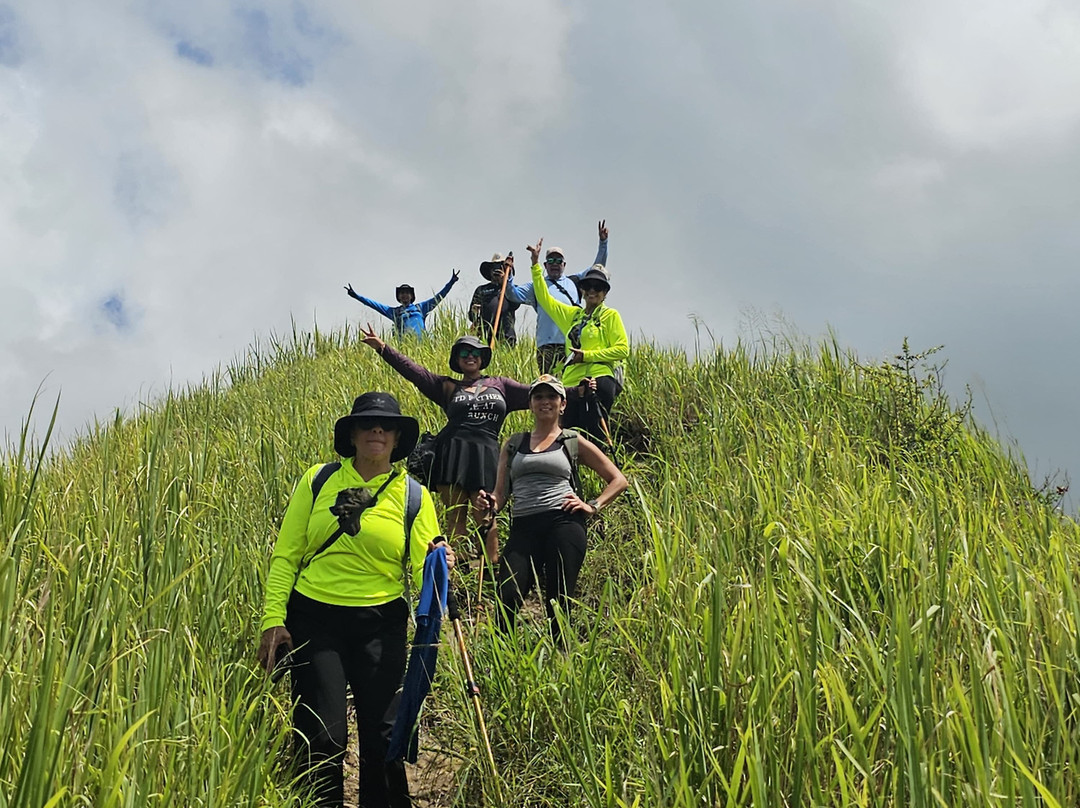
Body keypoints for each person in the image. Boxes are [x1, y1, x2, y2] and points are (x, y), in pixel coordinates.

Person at [256, 391, 455, 808]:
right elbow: (287, 554)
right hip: (315, 617)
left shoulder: (415, 496)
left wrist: (439, 561)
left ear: (398, 439)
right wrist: (274, 617)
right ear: (352, 434)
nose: (377, 431)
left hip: (381, 623)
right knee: (322, 736)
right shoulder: (319, 480)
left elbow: (422, 567)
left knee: (384, 737)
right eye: (367, 424)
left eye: (386, 425)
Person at [474, 374, 627, 642]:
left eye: (551, 396)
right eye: (539, 396)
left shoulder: (571, 440)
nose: (545, 402)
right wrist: (489, 503)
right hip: (524, 526)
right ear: (531, 403)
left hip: (564, 522)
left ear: (563, 404)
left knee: (559, 599)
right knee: (508, 595)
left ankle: (562, 663)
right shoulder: (513, 443)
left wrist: (592, 505)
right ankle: (502, 664)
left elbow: (618, 480)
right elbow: (500, 495)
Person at [360, 327, 530, 563]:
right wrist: (383, 348)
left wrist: (577, 392)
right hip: (454, 453)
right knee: (456, 515)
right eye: (463, 353)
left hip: (487, 452)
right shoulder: (447, 386)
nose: (469, 356)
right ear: (457, 360)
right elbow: (414, 372)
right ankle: (459, 569)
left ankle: (492, 568)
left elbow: (540, 394)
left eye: (474, 352)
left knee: (487, 513)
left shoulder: (501, 385)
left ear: (482, 357)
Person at [526, 238, 629, 447]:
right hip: (571, 383)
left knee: (595, 433)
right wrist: (536, 265)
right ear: (582, 290)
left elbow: (622, 349)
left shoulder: (610, 315)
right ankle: (572, 476)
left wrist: (587, 356)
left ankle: (603, 472)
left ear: (605, 292)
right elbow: (544, 298)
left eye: (598, 287)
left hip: (600, 378)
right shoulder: (572, 316)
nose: (592, 290)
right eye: (588, 286)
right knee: (568, 435)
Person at [505, 220, 610, 374]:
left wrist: (603, 243)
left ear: (564, 265)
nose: (555, 264)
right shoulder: (537, 285)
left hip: (573, 342)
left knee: (572, 382)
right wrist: (509, 276)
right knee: (549, 384)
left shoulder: (575, 282)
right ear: (545, 265)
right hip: (546, 345)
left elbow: (597, 269)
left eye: (558, 261)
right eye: (551, 261)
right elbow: (512, 294)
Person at [345, 269, 459, 338]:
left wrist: (451, 282)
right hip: (404, 348)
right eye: (402, 293)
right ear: (398, 297)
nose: (404, 295)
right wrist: (356, 296)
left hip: (422, 345)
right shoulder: (394, 312)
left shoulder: (421, 308)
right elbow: (373, 304)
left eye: (407, 293)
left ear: (411, 296)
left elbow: (439, 296)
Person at [469, 253, 521, 346]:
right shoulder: (481, 290)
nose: (496, 270)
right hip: (484, 337)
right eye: (494, 267)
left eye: (500, 267)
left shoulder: (511, 289)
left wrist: (505, 282)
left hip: (506, 336)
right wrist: (474, 311)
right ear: (489, 271)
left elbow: (515, 305)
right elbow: (471, 316)